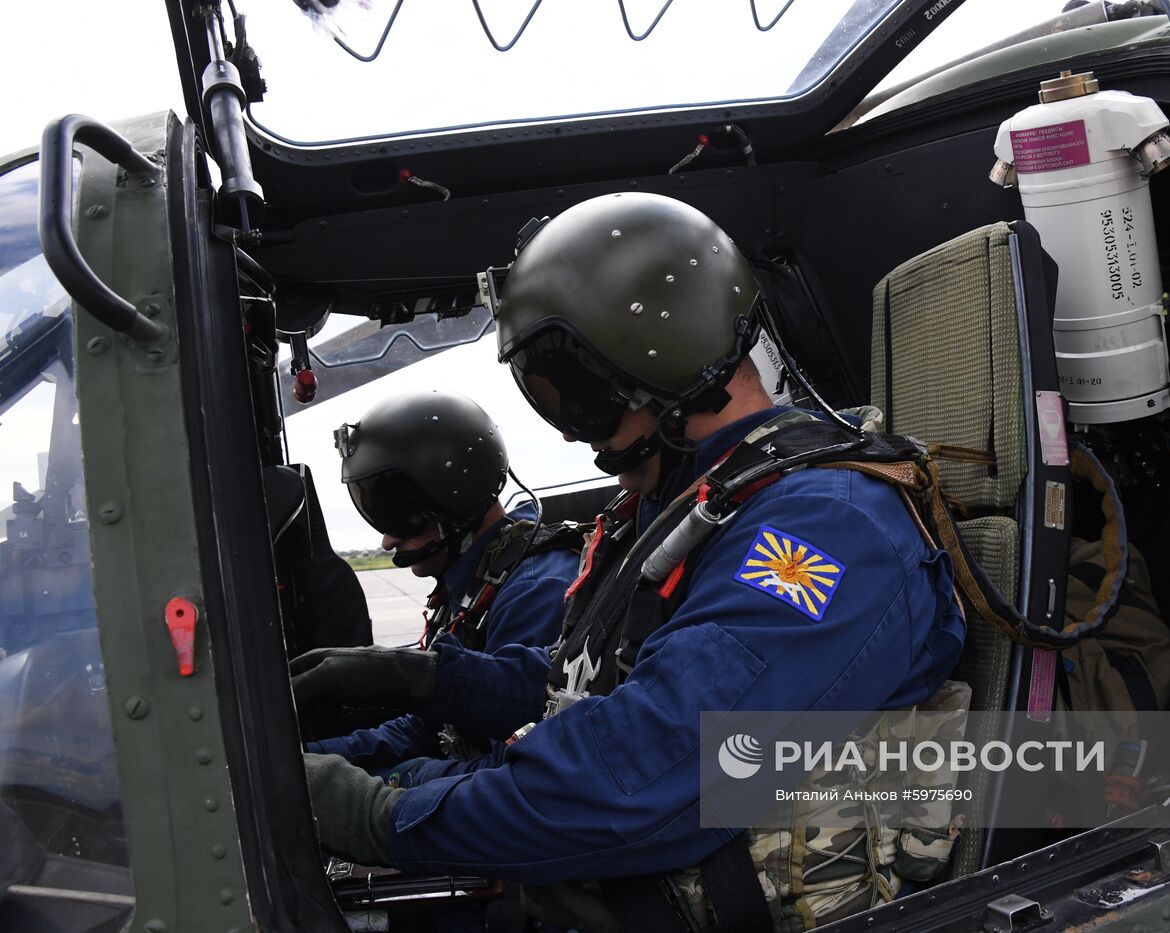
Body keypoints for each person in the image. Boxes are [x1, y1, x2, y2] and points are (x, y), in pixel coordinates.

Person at [298, 193, 967, 931]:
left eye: (582, 400)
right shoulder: (684, 508)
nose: (583, 439)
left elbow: (653, 765)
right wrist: (424, 679)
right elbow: (577, 688)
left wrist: (383, 814)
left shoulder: (825, 528)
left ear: (670, 361)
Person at [295, 389, 579, 782]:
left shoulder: (533, 590)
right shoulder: (471, 582)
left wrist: (400, 786)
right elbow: (430, 730)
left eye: (397, 515)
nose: (387, 542)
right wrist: (304, 760)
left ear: (452, 498)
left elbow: (519, 765)